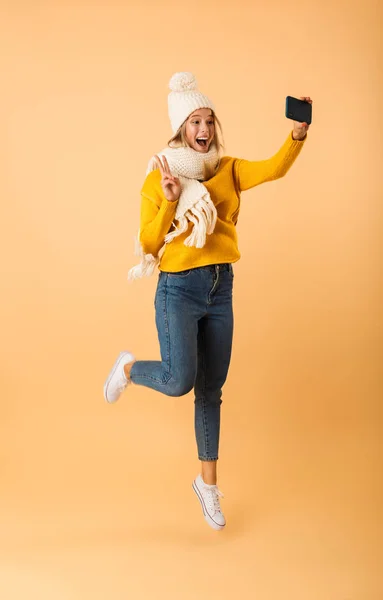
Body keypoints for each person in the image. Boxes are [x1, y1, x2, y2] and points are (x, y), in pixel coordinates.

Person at [103, 72, 312, 531]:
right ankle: (128, 370)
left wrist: (296, 135)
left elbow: (274, 167)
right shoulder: (161, 174)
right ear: (181, 128)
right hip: (178, 288)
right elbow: (148, 243)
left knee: (211, 390)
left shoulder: (228, 168)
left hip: (221, 287)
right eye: (195, 121)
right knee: (180, 380)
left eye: (209, 121)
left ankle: (208, 485)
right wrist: (170, 202)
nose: (204, 129)